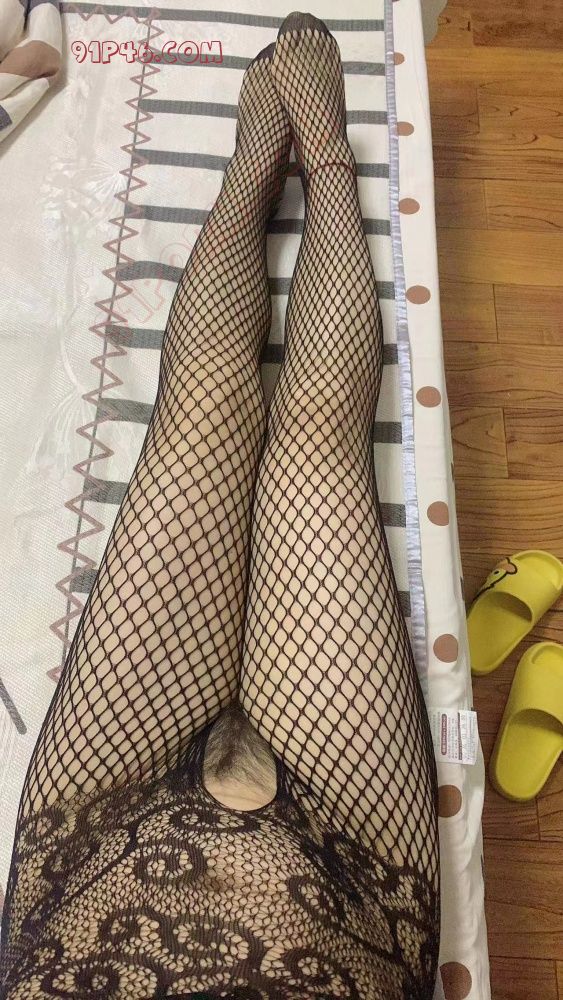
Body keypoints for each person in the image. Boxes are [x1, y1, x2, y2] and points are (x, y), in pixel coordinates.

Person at [0, 13, 440, 999]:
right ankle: (324, 159)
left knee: (201, 419)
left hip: (92, 844)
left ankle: (255, 166)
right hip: (350, 876)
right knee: (317, 452)